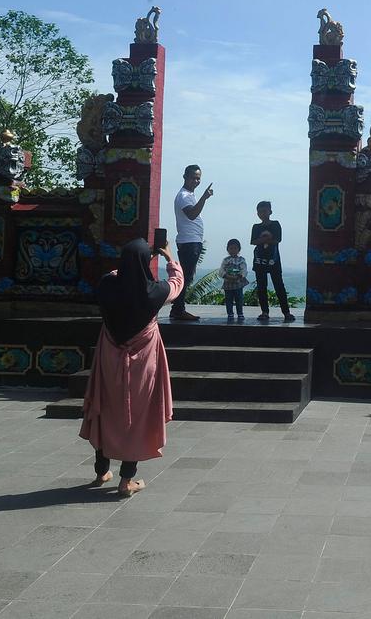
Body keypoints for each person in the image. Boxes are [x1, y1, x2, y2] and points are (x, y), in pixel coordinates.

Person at [80, 238, 184, 497]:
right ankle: (127, 479)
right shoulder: (154, 292)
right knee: (137, 416)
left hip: (109, 359)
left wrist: (124, 268)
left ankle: (101, 470)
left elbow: (112, 275)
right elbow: (176, 284)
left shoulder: (107, 286)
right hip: (142, 365)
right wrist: (170, 258)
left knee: (106, 408)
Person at [170, 164, 212, 321]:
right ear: (185, 177)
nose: (196, 181)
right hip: (189, 242)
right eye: (193, 177)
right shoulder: (183, 196)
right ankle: (178, 310)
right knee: (186, 277)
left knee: (187, 276)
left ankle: (178, 309)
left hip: (191, 241)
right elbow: (192, 214)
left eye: (198, 178)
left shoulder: (189, 195)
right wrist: (204, 198)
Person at [251, 200, 295, 322]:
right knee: (261, 287)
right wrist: (266, 239)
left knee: (279, 286)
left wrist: (262, 240)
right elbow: (253, 242)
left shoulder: (275, 224)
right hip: (259, 261)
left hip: (274, 261)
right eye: (259, 212)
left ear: (270, 211)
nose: (262, 214)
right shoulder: (256, 227)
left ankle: (286, 312)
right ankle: (264, 312)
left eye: (264, 211)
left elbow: (277, 240)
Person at [221, 238, 249, 322]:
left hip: (238, 282)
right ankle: (230, 314)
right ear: (228, 249)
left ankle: (240, 313)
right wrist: (226, 276)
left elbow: (244, 270)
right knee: (228, 299)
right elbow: (221, 270)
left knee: (239, 299)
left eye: (235, 248)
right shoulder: (226, 260)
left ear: (239, 249)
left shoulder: (241, 260)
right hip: (228, 283)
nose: (233, 250)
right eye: (231, 248)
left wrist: (239, 276)